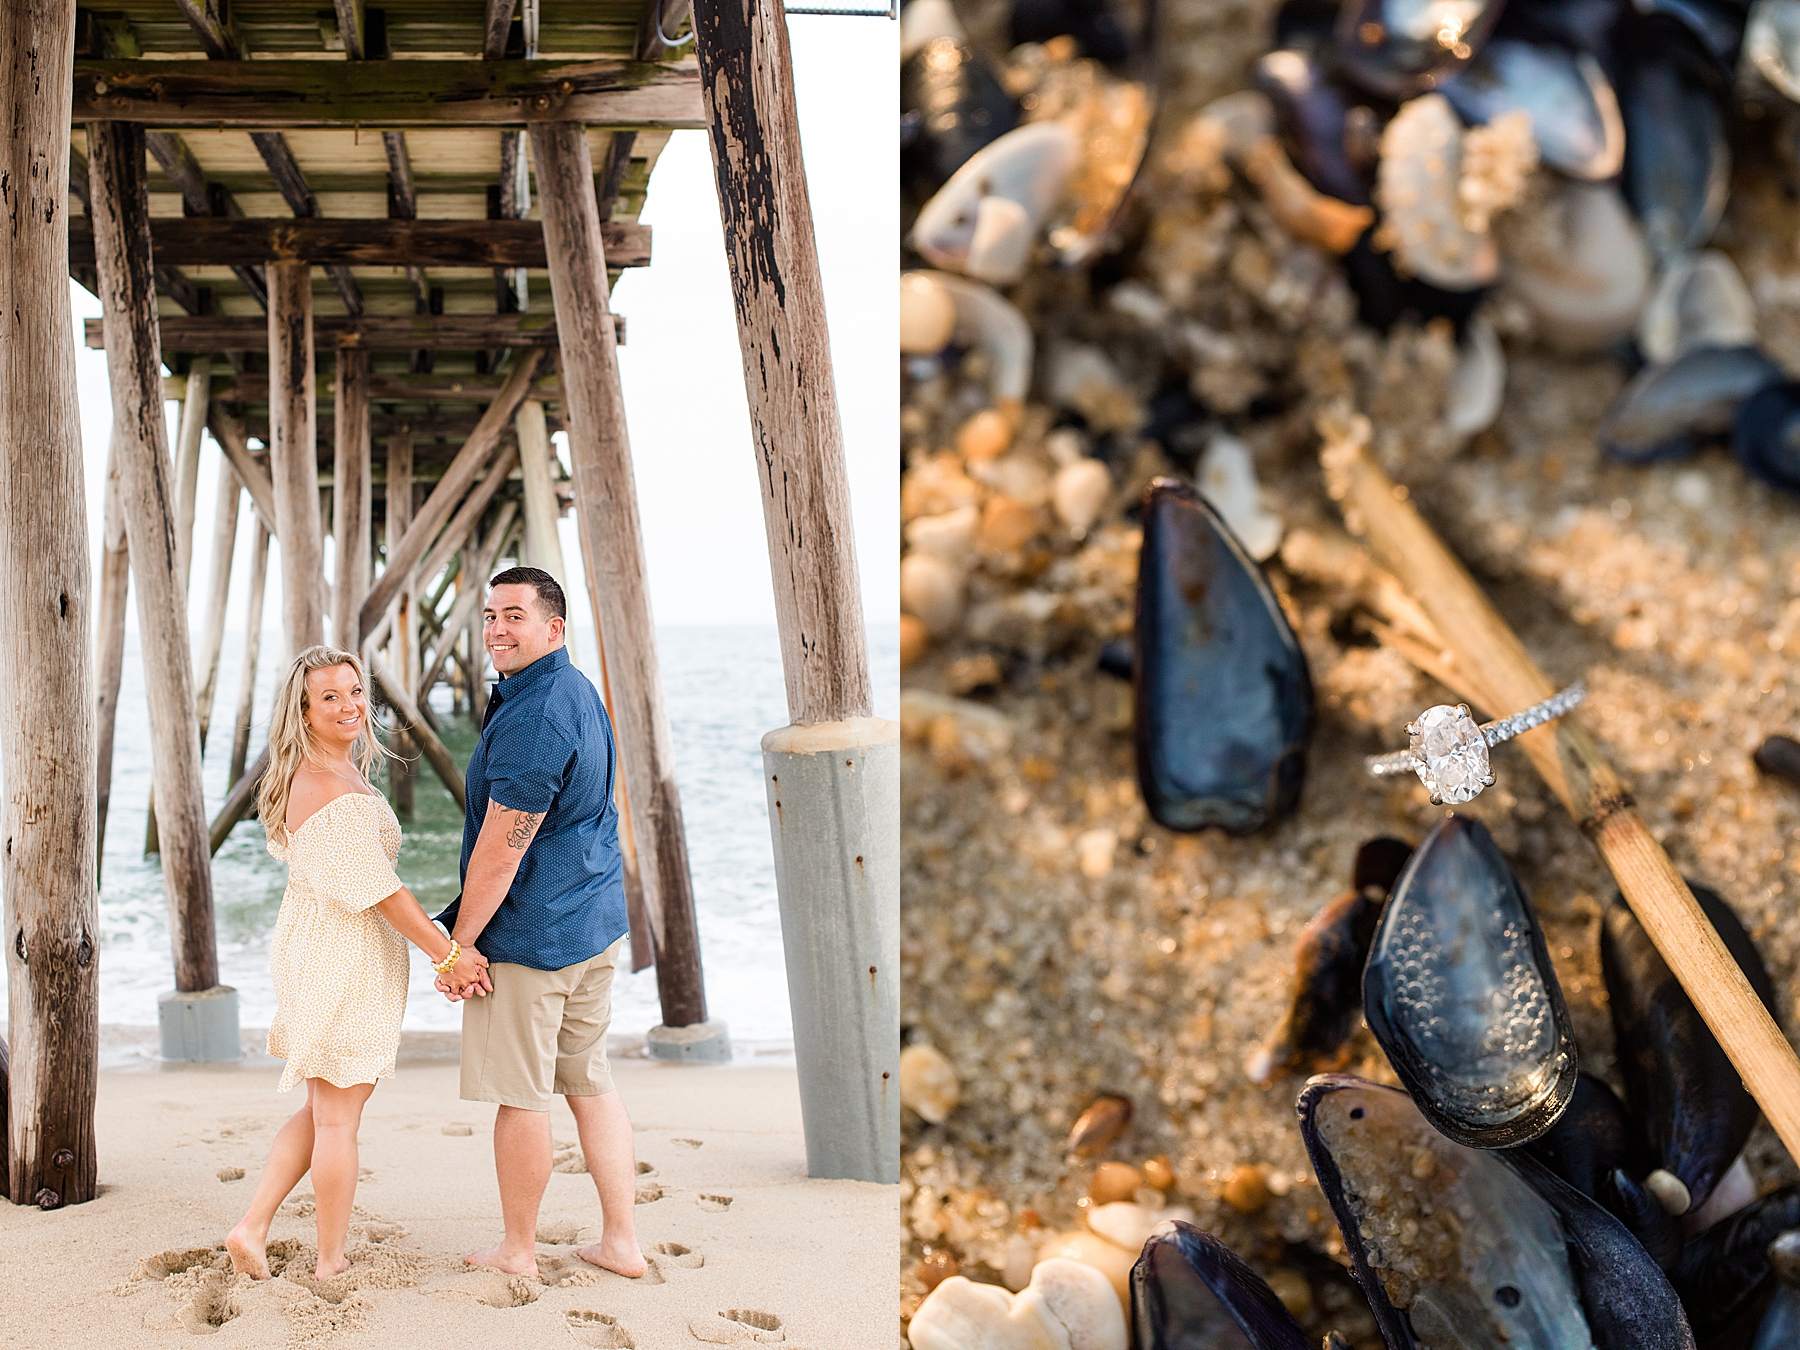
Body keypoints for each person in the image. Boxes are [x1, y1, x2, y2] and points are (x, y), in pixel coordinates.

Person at [226, 646, 491, 1281]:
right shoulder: (328, 788)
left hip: (320, 944)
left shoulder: (323, 776)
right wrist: (449, 954)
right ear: (304, 711)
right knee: (340, 1117)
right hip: (342, 956)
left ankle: (253, 1226)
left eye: (354, 692)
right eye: (330, 698)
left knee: (324, 1109)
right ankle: (330, 1263)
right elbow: (384, 893)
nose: (349, 706)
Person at [433, 566, 646, 1280]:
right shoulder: (576, 689)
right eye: (491, 615)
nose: (497, 628)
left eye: (514, 616)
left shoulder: (534, 716)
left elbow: (500, 853)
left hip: (533, 940)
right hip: (591, 923)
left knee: (521, 1098)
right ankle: (622, 1242)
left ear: (553, 628)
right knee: (591, 1084)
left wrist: (456, 946)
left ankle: (518, 1251)